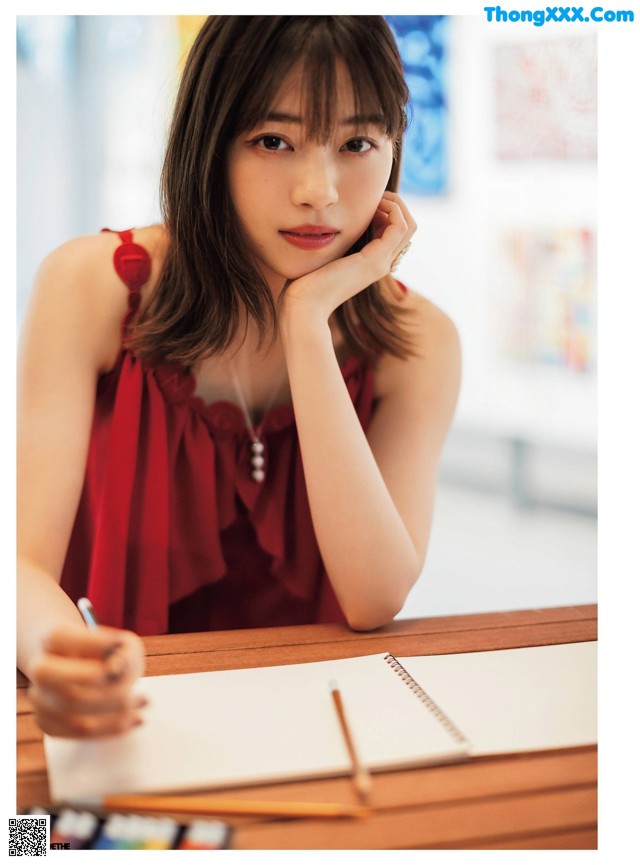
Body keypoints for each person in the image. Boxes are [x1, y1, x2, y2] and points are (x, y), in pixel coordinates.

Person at [17, 16, 460, 738]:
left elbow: (374, 597)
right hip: (124, 721)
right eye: (274, 140)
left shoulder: (419, 342)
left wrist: (306, 320)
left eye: (356, 143)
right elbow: (20, 562)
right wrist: (59, 654)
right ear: (209, 142)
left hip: (317, 725)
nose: (318, 191)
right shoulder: (95, 288)